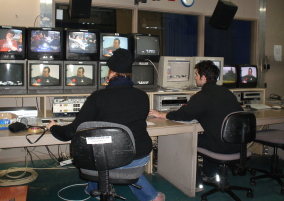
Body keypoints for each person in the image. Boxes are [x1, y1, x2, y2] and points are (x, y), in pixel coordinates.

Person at [46, 49, 165, 201]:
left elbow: (70, 132)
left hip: (110, 159)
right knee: (124, 159)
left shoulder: (98, 97)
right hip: (139, 158)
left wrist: (54, 127)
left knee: (94, 149)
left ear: (111, 72)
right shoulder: (142, 96)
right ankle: (152, 197)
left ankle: (94, 190)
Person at [149, 60, 243, 191]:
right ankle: (210, 174)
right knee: (207, 136)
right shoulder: (227, 92)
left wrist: (160, 114)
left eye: (196, 74)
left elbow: (183, 115)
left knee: (188, 140)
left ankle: (195, 183)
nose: (195, 77)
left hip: (220, 144)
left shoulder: (202, 96)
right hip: (238, 143)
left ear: (203, 78)